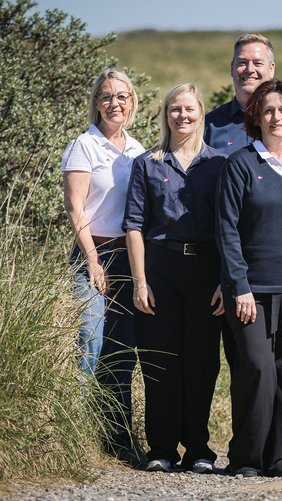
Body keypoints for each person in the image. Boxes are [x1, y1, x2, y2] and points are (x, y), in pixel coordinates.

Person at [204, 33, 282, 470]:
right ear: (255, 118)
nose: (276, 117)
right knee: (257, 369)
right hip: (251, 289)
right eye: (269, 111)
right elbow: (226, 229)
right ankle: (247, 457)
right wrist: (236, 285)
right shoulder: (240, 165)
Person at [123, 83, 227, 473]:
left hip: (206, 273)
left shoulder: (220, 165)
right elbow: (134, 225)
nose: (182, 116)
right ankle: (162, 449)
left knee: (202, 362)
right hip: (159, 271)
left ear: (201, 113)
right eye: (174, 109)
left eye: (189, 109)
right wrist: (140, 282)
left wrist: (226, 281)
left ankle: (198, 448)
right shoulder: (147, 163)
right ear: (165, 115)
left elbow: (229, 229)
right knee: (158, 360)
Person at [62, 68, 145, 467]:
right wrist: (93, 260)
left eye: (122, 96)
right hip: (92, 255)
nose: (115, 103)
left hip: (128, 258)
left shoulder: (137, 150)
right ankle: (74, 437)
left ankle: (118, 437)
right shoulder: (84, 145)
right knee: (90, 342)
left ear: (132, 103)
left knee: (122, 350)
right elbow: (75, 208)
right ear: (97, 102)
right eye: (107, 96)